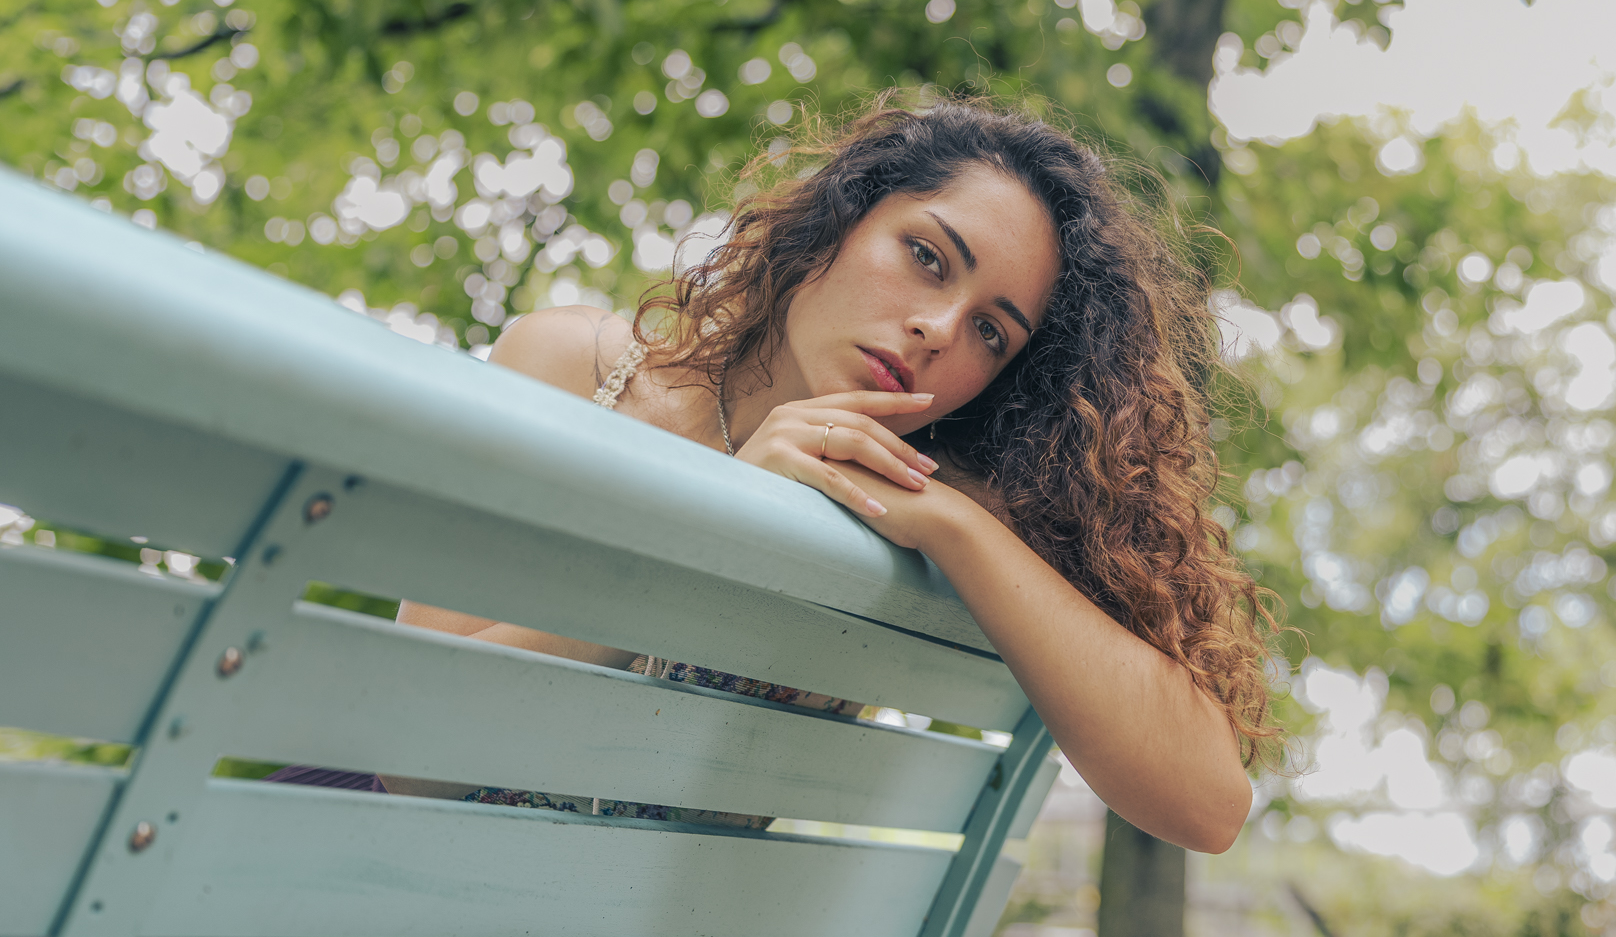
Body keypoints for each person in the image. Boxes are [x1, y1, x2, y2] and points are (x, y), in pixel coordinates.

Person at [397, 95, 1276, 854]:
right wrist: (720, 520)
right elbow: (400, 760)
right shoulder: (573, 367)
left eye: (990, 333)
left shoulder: (920, 499)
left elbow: (1210, 805)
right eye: (927, 256)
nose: (938, 328)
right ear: (842, 216)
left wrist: (954, 525)